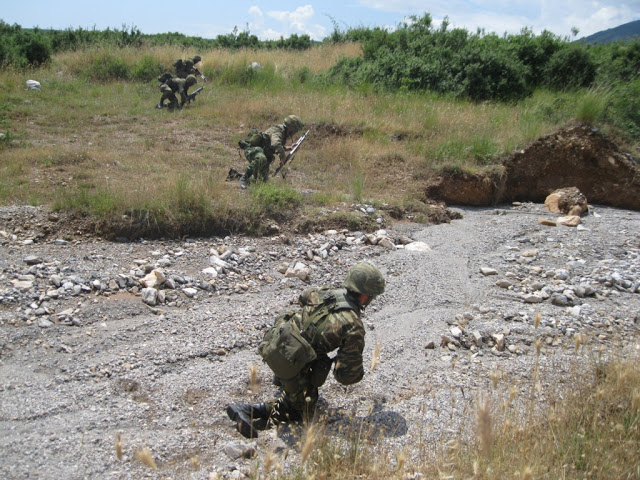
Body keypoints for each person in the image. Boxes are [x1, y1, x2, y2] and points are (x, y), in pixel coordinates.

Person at [226, 262, 386, 438]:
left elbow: (303, 297)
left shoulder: (327, 291)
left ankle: (285, 378)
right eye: (372, 296)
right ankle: (249, 410)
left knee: (312, 349)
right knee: (301, 412)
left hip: (277, 339)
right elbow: (347, 377)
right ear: (364, 296)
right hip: (288, 359)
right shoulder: (353, 325)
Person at [228, 115, 304, 186]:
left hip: (261, 152)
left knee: (261, 183)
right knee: (261, 159)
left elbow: (273, 146)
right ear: (290, 128)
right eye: (295, 131)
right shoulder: (278, 131)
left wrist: (289, 148)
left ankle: (235, 175)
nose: (294, 133)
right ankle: (244, 178)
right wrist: (283, 158)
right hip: (253, 149)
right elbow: (275, 144)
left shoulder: (283, 133)